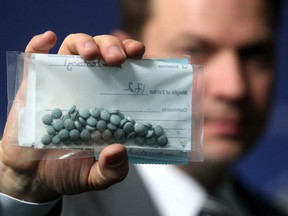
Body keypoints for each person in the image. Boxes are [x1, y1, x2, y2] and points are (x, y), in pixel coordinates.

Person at [0, 0, 286, 215]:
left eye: (254, 55)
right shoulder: (54, 206)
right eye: (196, 50)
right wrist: (21, 190)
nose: (234, 88)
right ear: (126, 57)